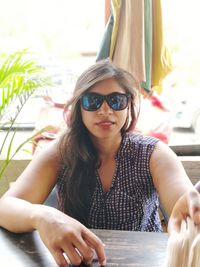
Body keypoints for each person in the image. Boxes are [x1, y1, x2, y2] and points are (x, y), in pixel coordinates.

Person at [0, 59, 199, 267]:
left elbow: (184, 201)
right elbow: (5, 206)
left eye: (116, 100)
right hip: (78, 261)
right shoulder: (62, 151)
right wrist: (42, 216)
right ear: (79, 107)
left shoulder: (153, 153)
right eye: (92, 101)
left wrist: (190, 207)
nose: (105, 110)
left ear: (129, 105)